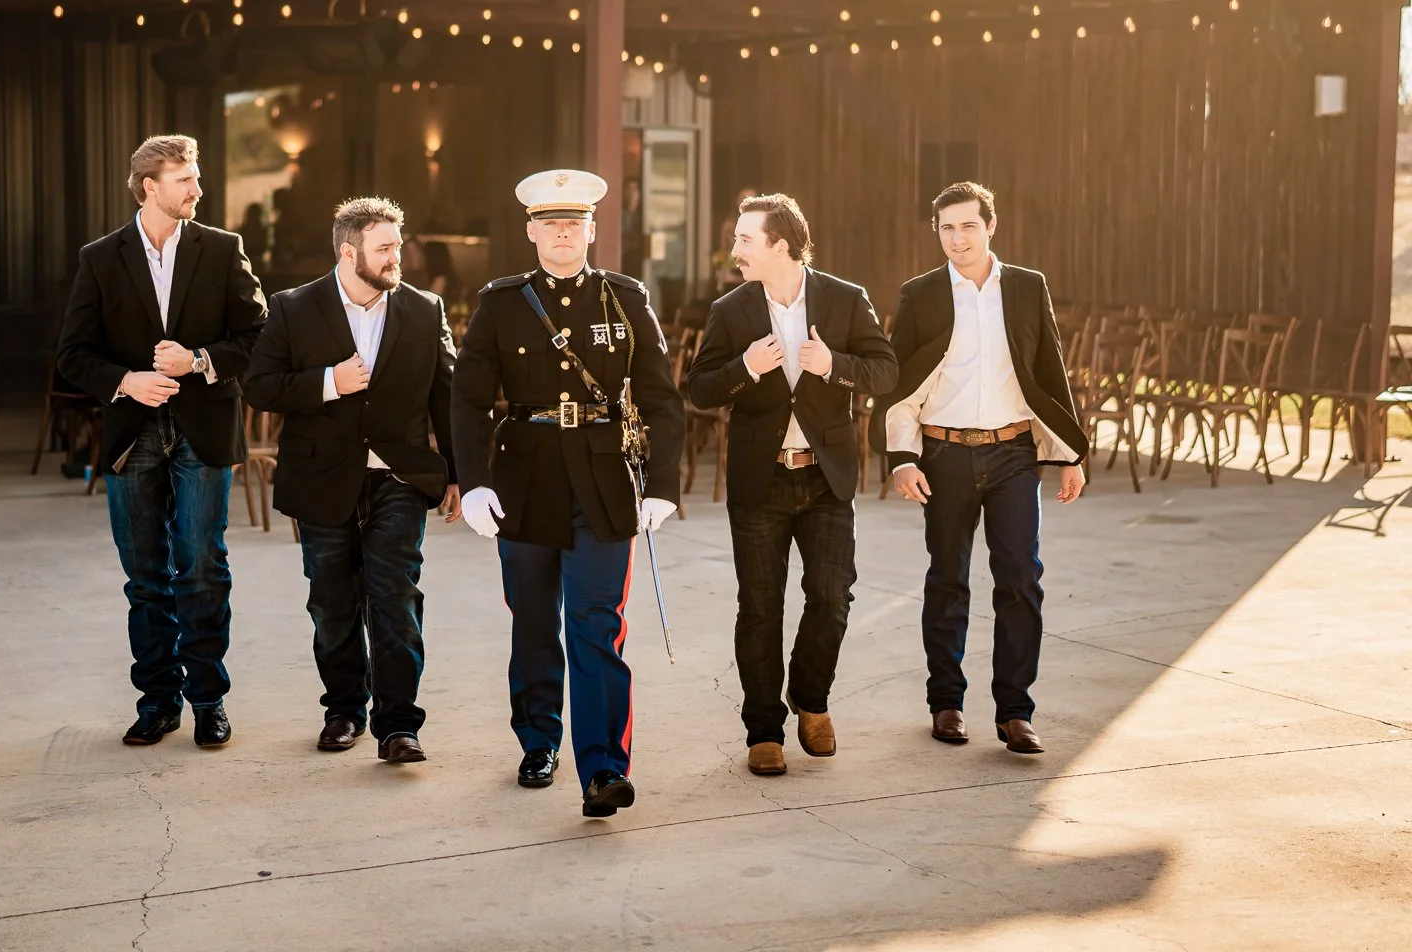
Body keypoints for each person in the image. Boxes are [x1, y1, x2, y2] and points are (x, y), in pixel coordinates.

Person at [450, 169, 685, 818]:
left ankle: (603, 768)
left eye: (573, 223)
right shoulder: (502, 304)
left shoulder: (625, 298)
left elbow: (662, 397)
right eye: (550, 223)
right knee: (532, 619)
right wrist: (473, 483)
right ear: (530, 231)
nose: (562, 233)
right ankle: (538, 740)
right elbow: (468, 401)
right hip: (523, 480)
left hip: (604, 479)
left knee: (596, 624)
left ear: (592, 230)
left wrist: (662, 485)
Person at [57, 134, 268, 749]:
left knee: (202, 566)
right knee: (145, 575)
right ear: (150, 186)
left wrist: (198, 360)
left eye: (196, 178)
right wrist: (127, 381)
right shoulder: (101, 258)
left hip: (204, 429)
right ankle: (157, 701)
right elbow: (73, 354)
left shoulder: (223, 248)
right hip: (133, 433)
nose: (199, 189)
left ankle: (207, 700)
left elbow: (259, 336)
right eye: (185, 180)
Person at [686, 194, 897, 777]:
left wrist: (834, 365)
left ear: (780, 245)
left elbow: (886, 371)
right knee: (759, 607)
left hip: (826, 478)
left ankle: (810, 697)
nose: (735, 251)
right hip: (760, 481)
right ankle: (763, 729)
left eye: (745, 240)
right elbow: (699, 388)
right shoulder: (730, 309)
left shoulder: (846, 298)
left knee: (832, 597)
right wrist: (746, 368)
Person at [872, 182, 1087, 755]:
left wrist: (1069, 455)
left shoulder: (1026, 287)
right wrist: (902, 459)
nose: (957, 238)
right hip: (943, 455)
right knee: (948, 579)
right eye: (947, 227)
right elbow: (897, 384)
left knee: (1021, 580)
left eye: (968, 225)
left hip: (1013, 454)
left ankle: (1015, 712)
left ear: (990, 226)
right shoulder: (920, 295)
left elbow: (1049, 370)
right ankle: (946, 702)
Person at [243, 198, 460, 765]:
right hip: (321, 476)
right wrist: (328, 382)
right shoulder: (293, 307)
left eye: (398, 246)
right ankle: (343, 711)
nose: (396, 257)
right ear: (348, 251)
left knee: (395, 597)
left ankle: (398, 725)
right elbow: (259, 386)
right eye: (384, 248)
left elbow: (448, 397)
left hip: (399, 477)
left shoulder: (424, 309)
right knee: (332, 602)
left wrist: (459, 475)